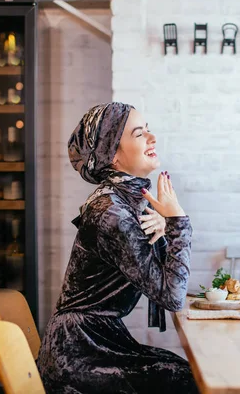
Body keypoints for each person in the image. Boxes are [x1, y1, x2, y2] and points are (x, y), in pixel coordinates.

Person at [37, 102, 199, 393]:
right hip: (78, 353)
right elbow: (172, 296)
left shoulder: (121, 202)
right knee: (181, 377)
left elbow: (160, 280)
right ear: (113, 155)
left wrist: (164, 230)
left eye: (148, 130)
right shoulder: (111, 212)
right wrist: (178, 222)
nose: (152, 138)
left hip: (96, 340)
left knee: (182, 372)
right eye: (139, 134)